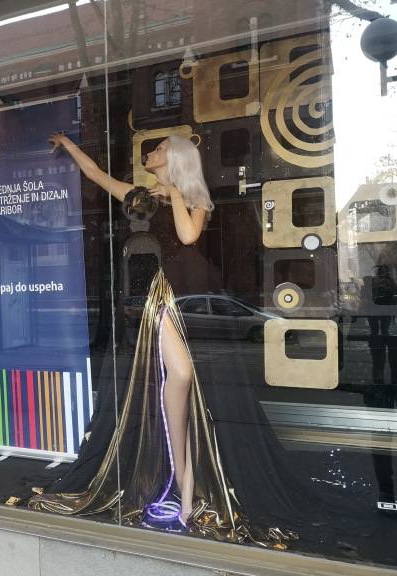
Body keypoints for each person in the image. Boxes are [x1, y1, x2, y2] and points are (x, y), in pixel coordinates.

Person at [29, 133, 293, 546]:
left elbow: (187, 236)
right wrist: (69, 143)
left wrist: (174, 192)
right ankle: (183, 485)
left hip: (183, 298)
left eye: (158, 149)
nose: (149, 153)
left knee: (183, 383)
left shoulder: (195, 200)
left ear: (176, 159)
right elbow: (96, 175)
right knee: (182, 374)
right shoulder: (140, 197)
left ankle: (186, 488)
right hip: (155, 298)